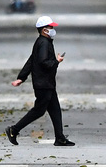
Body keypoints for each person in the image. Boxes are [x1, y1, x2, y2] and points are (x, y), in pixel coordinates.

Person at [5, 16, 75, 147]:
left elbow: (31, 61)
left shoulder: (41, 42)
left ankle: (60, 138)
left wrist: (21, 77)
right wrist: (57, 61)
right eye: (50, 27)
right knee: (38, 111)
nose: (53, 29)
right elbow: (43, 62)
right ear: (44, 30)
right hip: (43, 84)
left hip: (46, 83)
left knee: (55, 110)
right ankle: (14, 130)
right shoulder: (43, 43)